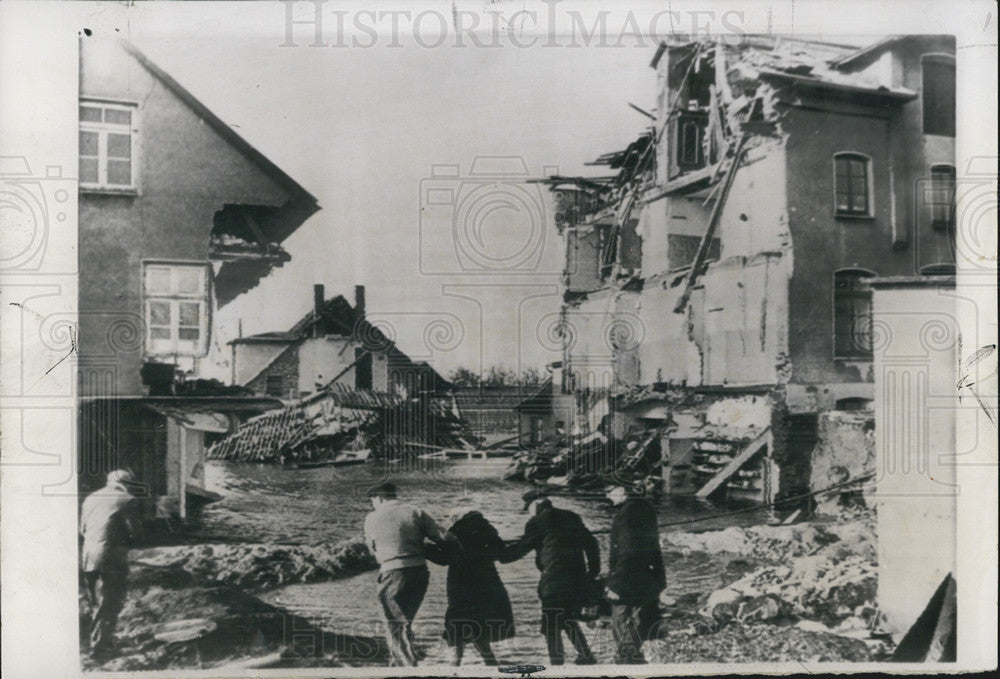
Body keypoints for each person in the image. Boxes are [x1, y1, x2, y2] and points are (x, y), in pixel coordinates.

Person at [363, 481, 457, 667]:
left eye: (372, 500)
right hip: (419, 572)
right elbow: (446, 537)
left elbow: (373, 552)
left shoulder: (372, 518)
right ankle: (398, 661)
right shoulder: (415, 511)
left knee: (395, 624)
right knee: (405, 620)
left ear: (379, 498)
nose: (372, 505)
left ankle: (407, 667)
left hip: (392, 572)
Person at [505, 490, 600, 666]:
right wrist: (593, 571)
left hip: (554, 580)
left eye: (528, 508)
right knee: (567, 617)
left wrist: (500, 554)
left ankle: (556, 665)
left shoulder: (536, 522)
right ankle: (586, 656)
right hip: (577, 578)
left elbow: (521, 548)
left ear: (535, 505)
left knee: (551, 626)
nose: (528, 512)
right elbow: (591, 543)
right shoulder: (571, 516)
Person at [425, 507, 516, 666]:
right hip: (488, 581)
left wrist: (423, 548)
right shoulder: (488, 528)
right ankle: (487, 659)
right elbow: (500, 552)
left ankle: (457, 662)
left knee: (459, 620)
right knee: (477, 620)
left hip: (461, 582)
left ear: (457, 518)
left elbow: (444, 558)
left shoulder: (455, 531)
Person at [79, 469, 143, 660]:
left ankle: (103, 640)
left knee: (97, 603)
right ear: (128, 484)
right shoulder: (128, 499)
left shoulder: (90, 498)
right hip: (111, 559)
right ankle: (99, 648)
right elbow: (136, 535)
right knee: (110, 602)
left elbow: (83, 529)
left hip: (88, 557)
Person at [605, 485, 666, 664]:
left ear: (622, 492)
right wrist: (661, 580)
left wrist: (614, 583)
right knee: (639, 619)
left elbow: (627, 549)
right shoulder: (646, 509)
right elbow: (654, 548)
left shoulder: (625, 513)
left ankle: (625, 660)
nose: (607, 496)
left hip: (627, 576)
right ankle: (634, 658)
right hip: (648, 574)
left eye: (610, 492)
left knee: (620, 617)